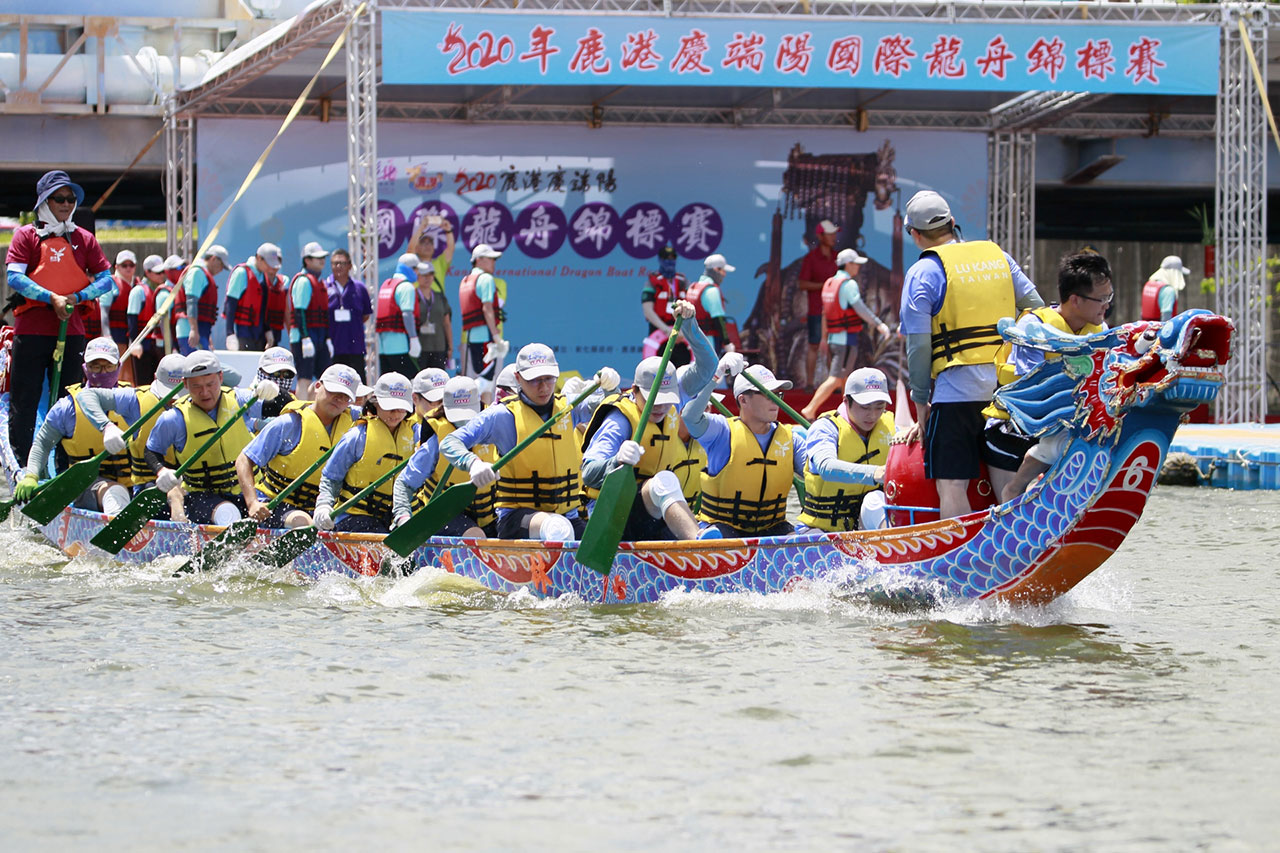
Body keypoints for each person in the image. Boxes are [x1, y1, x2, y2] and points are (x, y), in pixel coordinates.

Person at [898, 190, 1045, 518]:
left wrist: (921, 403)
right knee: (1008, 478)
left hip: (956, 397)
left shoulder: (922, 273)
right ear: (952, 223)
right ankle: (1017, 548)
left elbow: (919, 347)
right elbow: (1038, 310)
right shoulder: (999, 258)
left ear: (915, 234)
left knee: (952, 485)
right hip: (1007, 391)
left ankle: (961, 562)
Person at [440, 344, 620, 542]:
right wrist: (473, 463)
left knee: (604, 538)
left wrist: (611, 387)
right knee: (558, 529)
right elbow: (450, 442)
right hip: (517, 521)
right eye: (534, 380)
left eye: (548, 379)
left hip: (567, 517)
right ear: (518, 378)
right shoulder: (502, 416)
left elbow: (611, 402)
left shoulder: (569, 407)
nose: (543, 387)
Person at [579, 299, 718, 540]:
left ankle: (696, 545)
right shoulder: (619, 420)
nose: (661, 405)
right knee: (664, 481)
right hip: (611, 517)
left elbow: (708, 367)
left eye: (667, 398)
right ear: (634, 390)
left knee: (664, 483)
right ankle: (699, 545)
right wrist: (616, 461)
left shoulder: (674, 399)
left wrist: (690, 325)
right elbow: (588, 472)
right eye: (653, 398)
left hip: (650, 509)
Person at [4, 170, 115, 466]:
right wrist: (49, 297)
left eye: (70, 199)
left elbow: (106, 280)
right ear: (44, 202)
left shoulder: (84, 238)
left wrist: (76, 298)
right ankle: (24, 462)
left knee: (70, 400)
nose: (66, 204)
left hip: (71, 328)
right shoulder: (25, 236)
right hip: (31, 330)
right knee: (24, 399)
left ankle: (65, 462)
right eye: (59, 199)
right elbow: (14, 277)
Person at [992, 252, 1113, 502]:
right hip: (1015, 427)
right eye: (1101, 299)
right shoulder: (1033, 326)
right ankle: (1013, 490)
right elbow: (1030, 389)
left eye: (1109, 297)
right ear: (1075, 300)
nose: (1107, 305)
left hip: (1070, 423)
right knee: (1060, 438)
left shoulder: (1101, 331)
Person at [144, 350, 278, 524]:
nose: (205, 392)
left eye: (210, 384)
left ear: (221, 378)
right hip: (203, 497)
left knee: (275, 514)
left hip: (250, 491)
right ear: (185, 384)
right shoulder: (174, 419)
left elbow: (281, 405)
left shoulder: (241, 400)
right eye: (196, 386)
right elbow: (151, 451)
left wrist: (274, 392)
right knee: (228, 514)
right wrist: (161, 471)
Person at [681, 363, 805, 538]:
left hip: (773, 526)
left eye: (778, 394)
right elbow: (689, 417)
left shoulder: (792, 438)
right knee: (716, 536)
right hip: (722, 527)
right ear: (743, 400)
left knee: (797, 540)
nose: (776, 400)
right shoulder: (722, 431)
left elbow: (815, 471)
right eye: (768, 394)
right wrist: (716, 376)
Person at [14, 337, 134, 515]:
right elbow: (43, 443)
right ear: (85, 369)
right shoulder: (66, 408)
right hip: (85, 486)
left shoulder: (134, 400)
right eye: (95, 366)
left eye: (108, 367)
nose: (102, 372)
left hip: (133, 482)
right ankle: (118, 532)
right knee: (114, 492)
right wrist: (32, 475)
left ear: (118, 368)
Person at [236, 363, 362, 529]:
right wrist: (252, 503)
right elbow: (243, 460)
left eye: (345, 396)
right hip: (276, 505)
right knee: (302, 522)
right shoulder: (288, 424)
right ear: (318, 386)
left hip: (322, 508)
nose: (338, 399)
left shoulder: (355, 423)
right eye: (333, 391)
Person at [314, 373, 416, 534]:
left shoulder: (415, 434)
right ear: (376, 404)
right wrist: (323, 506)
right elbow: (331, 478)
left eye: (401, 408)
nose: (396, 414)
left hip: (394, 517)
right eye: (390, 407)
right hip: (353, 517)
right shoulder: (357, 436)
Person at [392, 375, 493, 536]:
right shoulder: (435, 442)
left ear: (480, 407)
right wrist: (403, 517)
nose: (464, 424)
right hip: (442, 516)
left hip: (488, 515)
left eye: (469, 416)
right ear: (445, 409)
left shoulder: (495, 426)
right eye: (457, 418)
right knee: (475, 534)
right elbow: (404, 483)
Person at [76, 352, 188, 497]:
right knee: (174, 494)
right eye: (167, 393)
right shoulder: (134, 399)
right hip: (149, 486)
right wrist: (106, 427)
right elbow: (85, 396)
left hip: (192, 486)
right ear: (155, 378)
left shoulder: (203, 395)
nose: (172, 401)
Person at [798, 368, 895, 533]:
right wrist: (874, 473)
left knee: (875, 499)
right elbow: (826, 467)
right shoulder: (825, 428)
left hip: (865, 527)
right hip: (819, 530)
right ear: (846, 400)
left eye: (879, 407)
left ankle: (895, 547)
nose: (872, 415)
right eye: (865, 407)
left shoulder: (889, 426)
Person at [800, 248, 892, 421]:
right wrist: (879, 325)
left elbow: (825, 313)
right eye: (855, 264)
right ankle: (810, 409)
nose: (857, 267)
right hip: (846, 340)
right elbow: (861, 309)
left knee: (845, 379)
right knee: (836, 378)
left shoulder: (829, 283)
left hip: (834, 338)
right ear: (848, 264)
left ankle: (845, 415)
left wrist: (823, 338)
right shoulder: (848, 285)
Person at [797, 219, 841, 389]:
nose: (833, 237)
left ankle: (833, 385)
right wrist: (825, 286)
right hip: (817, 309)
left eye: (834, 233)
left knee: (833, 346)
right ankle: (809, 383)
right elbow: (802, 284)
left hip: (836, 310)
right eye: (830, 233)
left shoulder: (838, 257)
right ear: (820, 236)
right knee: (814, 345)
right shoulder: (811, 258)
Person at [457, 244, 505, 396]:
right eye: (491, 259)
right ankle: (460, 398)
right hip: (486, 337)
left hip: (472, 338)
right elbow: (487, 308)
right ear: (479, 260)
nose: (494, 263)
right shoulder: (485, 278)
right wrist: (496, 337)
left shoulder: (466, 280)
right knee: (486, 381)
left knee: (481, 377)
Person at [289, 242, 332, 396]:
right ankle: (300, 412)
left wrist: (327, 339)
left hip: (319, 336)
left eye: (323, 258)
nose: (322, 260)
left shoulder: (320, 283)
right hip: (304, 338)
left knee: (325, 378)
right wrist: (305, 338)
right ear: (307, 260)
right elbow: (300, 311)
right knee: (304, 377)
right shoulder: (303, 281)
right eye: (316, 258)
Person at [224, 242, 284, 352]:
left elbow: (263, 308)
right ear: (259, 258)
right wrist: (230, 333)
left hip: (259, 332)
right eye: (268, 263)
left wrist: (267, 330)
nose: (271, 268)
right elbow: (230, 304)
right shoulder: (241, 273)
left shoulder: (263, 277)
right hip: (243, 331)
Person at [640, 244, 691, 367]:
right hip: (659, 333)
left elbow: (691, 307)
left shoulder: (683, 281)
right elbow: (648, 310)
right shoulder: (651, 282)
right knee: (659, 370)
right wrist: (665, 330)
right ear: (660, 259)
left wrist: (683, 330)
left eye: (672, 258)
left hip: (681, 336)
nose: (670, 261)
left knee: (682, 370)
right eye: (666, 258)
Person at [324, 248, 372, 377]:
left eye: (342, 263)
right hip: (334, 346)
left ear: (350, 266)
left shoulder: (359, 288)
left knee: (358, 384)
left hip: (354, 346)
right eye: (335, 263)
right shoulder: (325, 287)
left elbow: (366, 315)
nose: (338, 266)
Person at [375, 253, 422, 377]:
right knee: (412, 381)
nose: (418, 273)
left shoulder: (386, 285)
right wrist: (414, 338)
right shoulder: (406, 287)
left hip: (383, 347)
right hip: (401, 345)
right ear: (410, 269)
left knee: (388, 384)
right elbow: (407, 314)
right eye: (416, 269)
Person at [176, 245, 229, 355]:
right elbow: (191, 301)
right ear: (213, 259)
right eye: (221, 266)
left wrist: (205, 335)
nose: (220, 270)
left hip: (199, 330)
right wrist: (194, 330)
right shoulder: (197, 272)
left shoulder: (203, 273)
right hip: (189, 331)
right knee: (196, 368)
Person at [685, 253, 735, 357]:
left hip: (692, 342)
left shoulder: (693, 288)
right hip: (708, 343)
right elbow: (719, 320)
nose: (724, 275)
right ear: (716, 270)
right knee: (711, 372)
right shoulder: (712, 290)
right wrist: (727, 344)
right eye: (723, 271)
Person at [103, 249, 137, 383]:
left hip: (133, 339)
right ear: (116, 267)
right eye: (124, 265)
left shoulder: (137, 284)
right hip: (116, 338)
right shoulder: (112, 284)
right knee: (118, 376)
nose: (128, 268)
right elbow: (103, 311)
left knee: (131, 378)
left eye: (131, 265)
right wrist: (107, 335)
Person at [248, 347, 298, 431]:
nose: (281, 378)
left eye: (287, 374)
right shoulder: (247, 397)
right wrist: (254, 423)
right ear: (261, 371)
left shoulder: (292, 400)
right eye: (276, 373)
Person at [414, 260, 452, 370]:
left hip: (439, 347)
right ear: (418, 276)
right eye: (424, 274)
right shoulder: (413, 295)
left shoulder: (440, 297)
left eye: (430, 274)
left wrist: (450, 347)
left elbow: (447, 323)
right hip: (420, 349)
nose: (427, 278)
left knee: (439, 382)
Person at [409, 211, 456, 296]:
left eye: (430, 242)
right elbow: (410, 250)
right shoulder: (413, 264)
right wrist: (421, 228)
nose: (428, 245)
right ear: (417, 248)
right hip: (418, 305)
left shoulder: (439, 263)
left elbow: (450, 249)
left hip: (437, 307)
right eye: (423, 242)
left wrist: (448, 231)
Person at [1142, 255, 1189, 323]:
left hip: (1145, 329)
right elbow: (1166, 317)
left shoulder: (1149, 284)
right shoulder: (1168, 290)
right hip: (1157, 330)